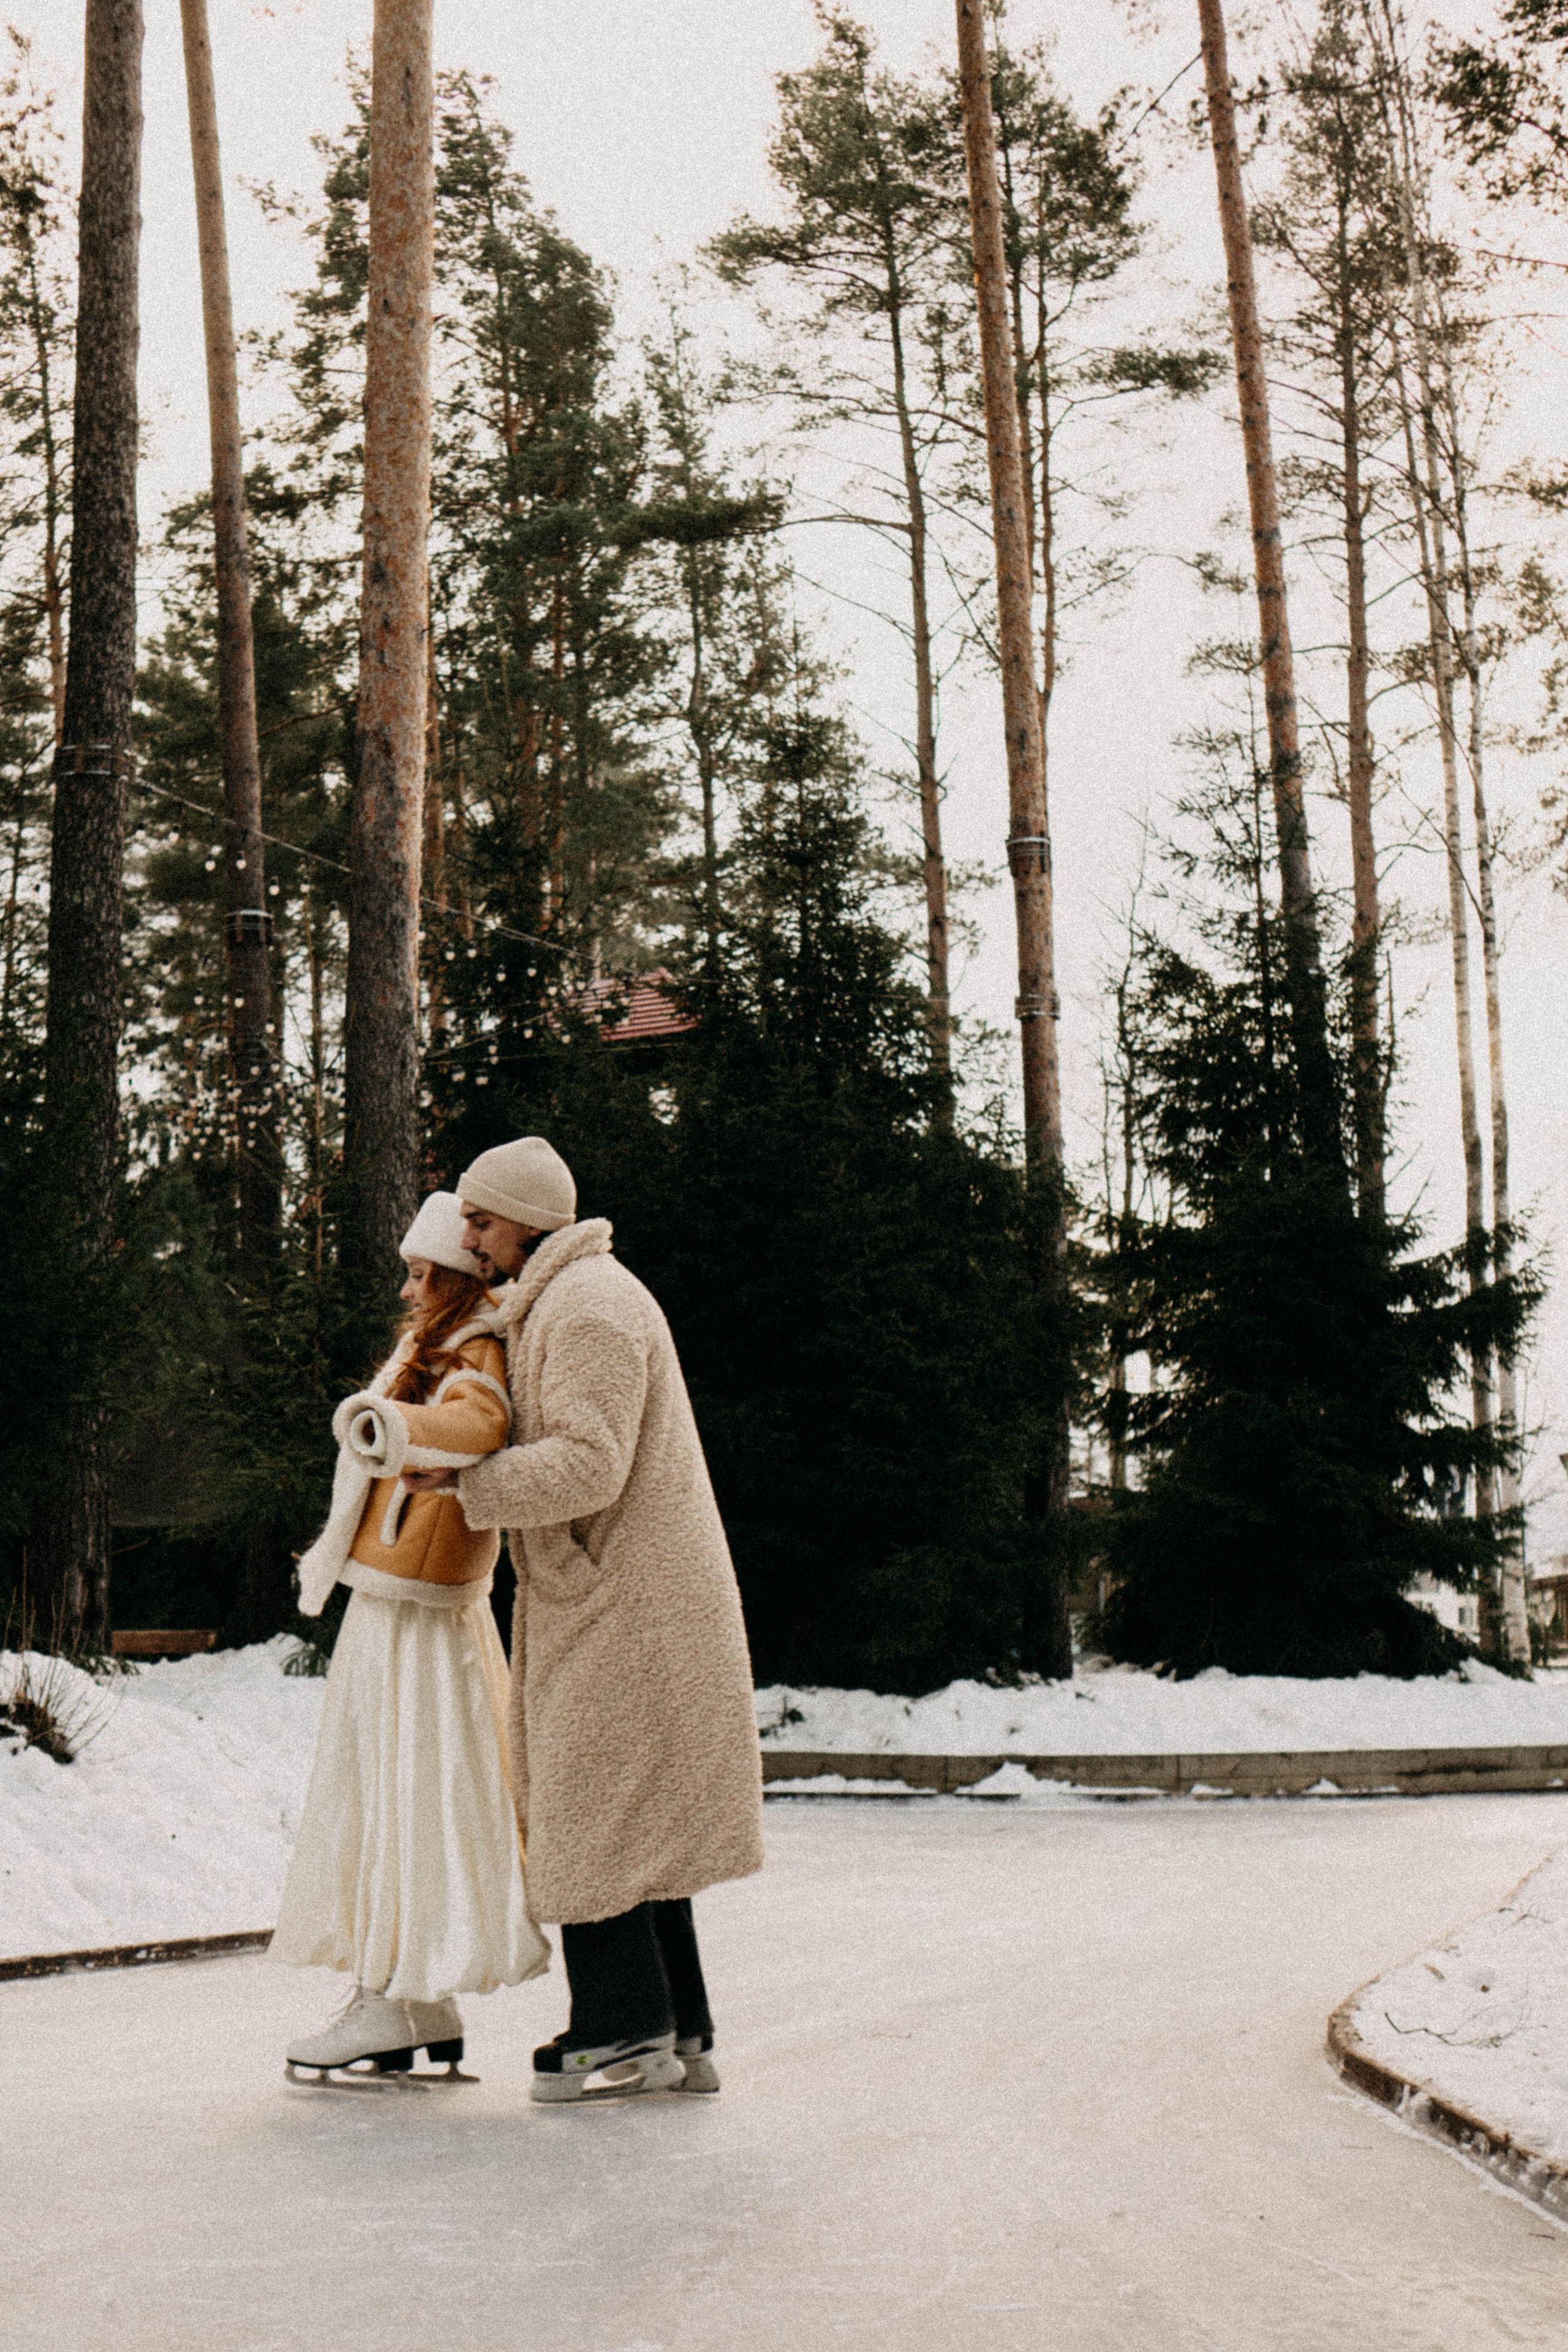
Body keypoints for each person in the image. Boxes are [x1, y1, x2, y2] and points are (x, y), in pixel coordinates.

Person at [450, 1134, 764, 2103]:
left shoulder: (588, 1306)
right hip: (619, 1596)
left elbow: (591, 1461)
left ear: (529, 1221)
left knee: (594, 1809)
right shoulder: (568, 1299)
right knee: (638, 1818)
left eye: (482, 1218)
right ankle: (682, 2024)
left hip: (627, 1602)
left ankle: (624, 2024)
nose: (470, 1238)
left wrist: (464, 1483)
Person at [271, 1191, 549, 2081]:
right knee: (404, 1785)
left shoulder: (474, 1347)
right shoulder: (435, 1344)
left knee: (393, 1786)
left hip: (417, 1606)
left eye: (424, 1272)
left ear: (461, 1279)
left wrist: (399, 1425)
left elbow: (481, 1420)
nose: (409, 1286)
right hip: (410, 1597)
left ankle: (391, 1997)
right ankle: (415, 1994)